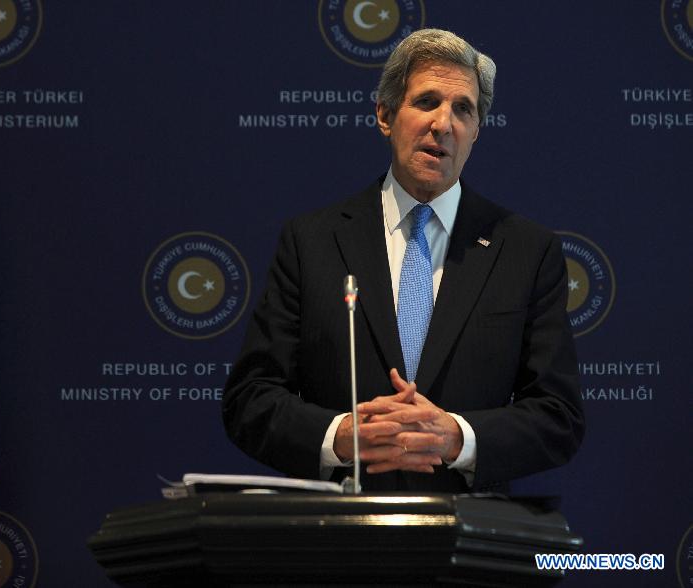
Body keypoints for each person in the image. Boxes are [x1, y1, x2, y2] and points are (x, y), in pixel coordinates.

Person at [222, 29, 584, 493]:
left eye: (463, 109)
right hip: (339, 541)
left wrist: (456, 438)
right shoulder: (311, 242)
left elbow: (560, 416)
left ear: (476, 132)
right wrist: (343, 438)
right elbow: (249, 400)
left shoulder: (527, 251)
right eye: (427, 101)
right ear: (386, 115)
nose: (443, 124)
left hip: (468, 544)